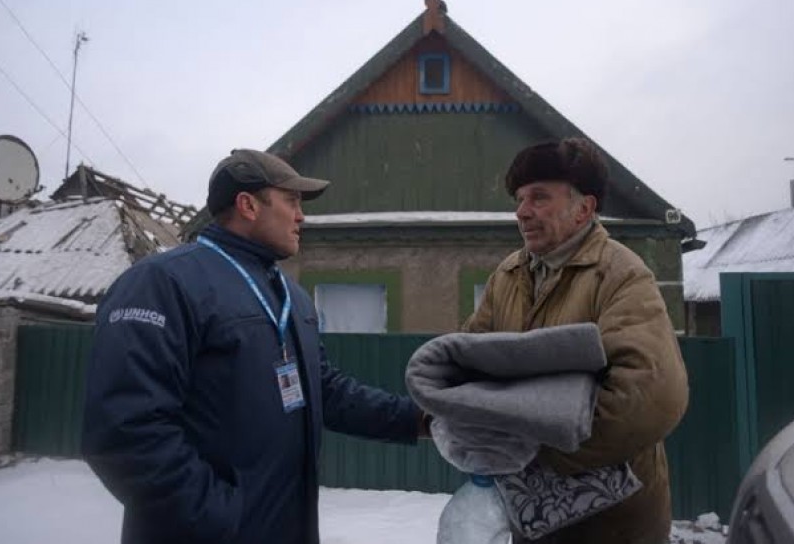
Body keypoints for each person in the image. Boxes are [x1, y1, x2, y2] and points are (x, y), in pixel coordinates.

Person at [82, 149, 426, 544]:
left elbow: (325, 390)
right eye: (291, 201)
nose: (301, 217)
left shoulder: (290, 297)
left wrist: (418, 419)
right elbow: (126, 432)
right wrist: (220, 519)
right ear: (247, 204)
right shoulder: (162, 284)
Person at [463, 138, 689, 544]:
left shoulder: (620, 274)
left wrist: (540, 450)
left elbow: (653, 395)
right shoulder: (508, 275)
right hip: (534, 517)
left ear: (584, 208)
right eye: (519, 199)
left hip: (612, 525)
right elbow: (472, 359)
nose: (522, 211)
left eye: (538, 197)